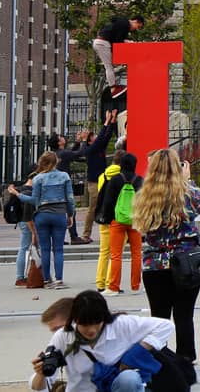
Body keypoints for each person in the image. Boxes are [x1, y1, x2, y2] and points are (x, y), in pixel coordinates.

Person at [133, 148, 200, 360]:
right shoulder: (188, 193)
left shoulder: (144, 195)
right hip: (185, 262)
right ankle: (186, 360)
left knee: (159, 318)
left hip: (154, 265)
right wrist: (188, 180)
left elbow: (139, 227)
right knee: (184, 316)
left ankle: (161, 361)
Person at [39, 289, 175, 392]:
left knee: (129, 379)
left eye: (97, 323)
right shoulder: (63, 336)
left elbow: (166, 326)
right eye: (85, 324)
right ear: (74, 320)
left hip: (116, 386)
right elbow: (40, 386)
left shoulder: (121, 325)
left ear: (104, 318)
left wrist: (135, 353)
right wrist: (41, 373)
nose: (91, 330)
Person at [13, 151, 75, 286]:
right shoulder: (64, 176)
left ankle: (46, 280)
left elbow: (34, 200)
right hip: (59, 214)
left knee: (45, 249)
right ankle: (58, 279)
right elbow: (70, 199)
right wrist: (70, 215)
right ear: (56, 161)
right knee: (58, 249)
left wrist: (18, 195)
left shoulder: (38, 178)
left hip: (42, 215)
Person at [60, 111, 118, 245]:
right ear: (91, 140)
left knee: (109, 205)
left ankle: (111, 231)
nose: (97, 137)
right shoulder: (90, 149)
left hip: (103, 180)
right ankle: (86, 234)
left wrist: (112, 122)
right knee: (93, 208)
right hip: (94, 182)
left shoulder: (98, 147)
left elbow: (106, 136)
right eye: (94, 136)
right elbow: (98, 141)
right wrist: (106, 121)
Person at [98, 152, 142, 296]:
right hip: (135, 220)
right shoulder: (139, 180)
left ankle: (114, 287)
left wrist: (109, 218)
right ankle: (135, 286)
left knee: (116, 254)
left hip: (117, 220)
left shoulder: (116, 179)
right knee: (136, 254)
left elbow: (109, 201)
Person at [89, 151, 130, 291]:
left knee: (104, 251)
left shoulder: (103, 176)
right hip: (119, 217)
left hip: (104, 216)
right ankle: (111, 283)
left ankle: (100, 282)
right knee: (116, 252)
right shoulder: (125, 177)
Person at [94, 15, 145, 91]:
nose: (135, 29)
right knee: (109, 67)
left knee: (110, 66)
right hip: (103, 43)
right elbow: (118, 43)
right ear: (135, 21)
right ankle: (113, 88)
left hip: (102, 42)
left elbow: (117, 39)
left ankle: (114, 77)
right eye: (138, 27)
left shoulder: (121, 23)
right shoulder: (125, 25)